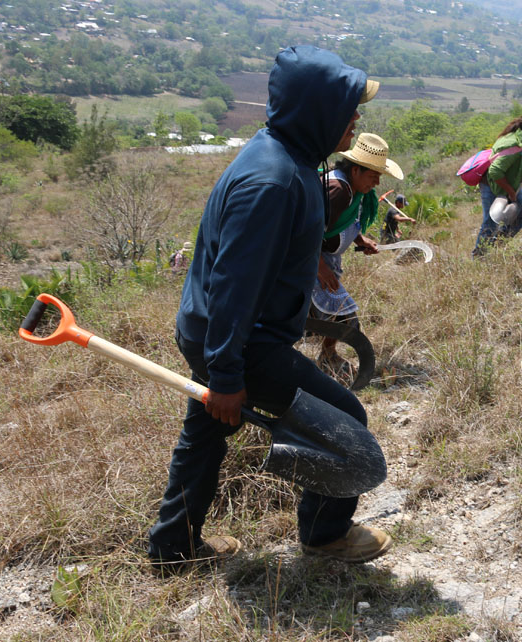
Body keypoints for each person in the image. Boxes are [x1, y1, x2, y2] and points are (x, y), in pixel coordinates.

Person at [146, 45, 392, 575]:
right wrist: (230, 374)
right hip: (239, 339)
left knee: (205, 434)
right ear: (317, 112)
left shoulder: (285, 155)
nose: (355, 120)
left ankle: (172, 548)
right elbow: (235, 286)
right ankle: (325, 536)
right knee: (347, 418)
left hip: (215, 332)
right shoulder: (273, 182)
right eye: (349, 109)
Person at [311, 132, 403, 376]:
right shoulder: (338, 189)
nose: (376, 183)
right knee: (343, 313)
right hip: (307, 260)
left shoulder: (351, 189)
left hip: (319, 259)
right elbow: (303, 231)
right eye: (373, 176)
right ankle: (325, 359)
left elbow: (339, 222)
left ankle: (325, 357)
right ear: (355, 171)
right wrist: (319, 267)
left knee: (333, 314)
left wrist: (359, 239)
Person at [471, 107, 522, 256]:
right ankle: (479, 257)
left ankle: (496, 247)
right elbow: (495, 171)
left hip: (510, 184)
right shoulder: (513, 144)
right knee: (491, 223)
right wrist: (509, 191)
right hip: (493, 186)